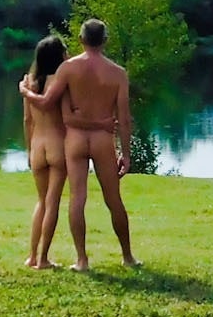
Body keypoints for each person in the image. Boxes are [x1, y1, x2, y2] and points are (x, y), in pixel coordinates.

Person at [19, 18, 138, 270]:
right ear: (105, 40)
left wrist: (25, 92)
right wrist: (125, 154)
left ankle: (81, 260)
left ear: (81, 40)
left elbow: (45, 102)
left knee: (77, 198)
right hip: (103, 138)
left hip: (74, 139)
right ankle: (127, 256)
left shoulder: (68, 69)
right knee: (113, 198)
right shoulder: (118, 73)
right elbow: (124, 119)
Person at [19, 34, 69, 268]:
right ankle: (44, 259)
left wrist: (29, 150)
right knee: (53, 202)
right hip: (58, 146)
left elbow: (27, 120)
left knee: (41, 201)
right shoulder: (60, 82)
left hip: (37, 146)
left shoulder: (28, 81)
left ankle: (31, 256)